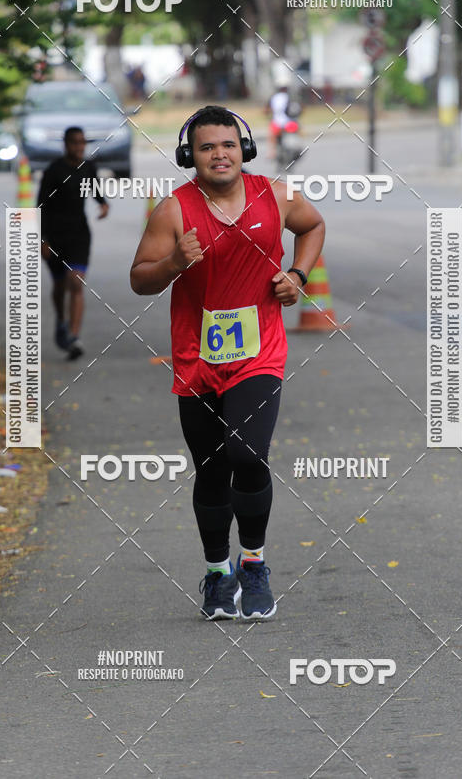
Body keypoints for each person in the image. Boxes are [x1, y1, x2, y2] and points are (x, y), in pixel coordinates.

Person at [130, 105, 325, 620]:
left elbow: (313, 227)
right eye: (206, 147)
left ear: (245, 149)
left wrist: (298, 276)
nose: (219, 154)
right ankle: (218, 574)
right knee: (211, 468)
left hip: (259, 352)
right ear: (189, 156)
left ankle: (254, 562)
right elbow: (140, 278)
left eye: (228, 144)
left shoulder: (277, 195)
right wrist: (174, 263)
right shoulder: (174, 210)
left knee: (247, 453)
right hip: (197, 359)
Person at [37, 126, 109, 360]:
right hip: (55, 236)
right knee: (60, 287)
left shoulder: (88, 167)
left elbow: (96, 191)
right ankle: (61, 320)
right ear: (66, 144)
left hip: (79, 234)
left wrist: (103, 204)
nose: (79, 147)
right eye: (74, 143)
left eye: (82, 143)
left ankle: (74, 337)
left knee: (75, 283)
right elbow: (41, 206)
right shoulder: (54, 171)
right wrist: (43, 239)